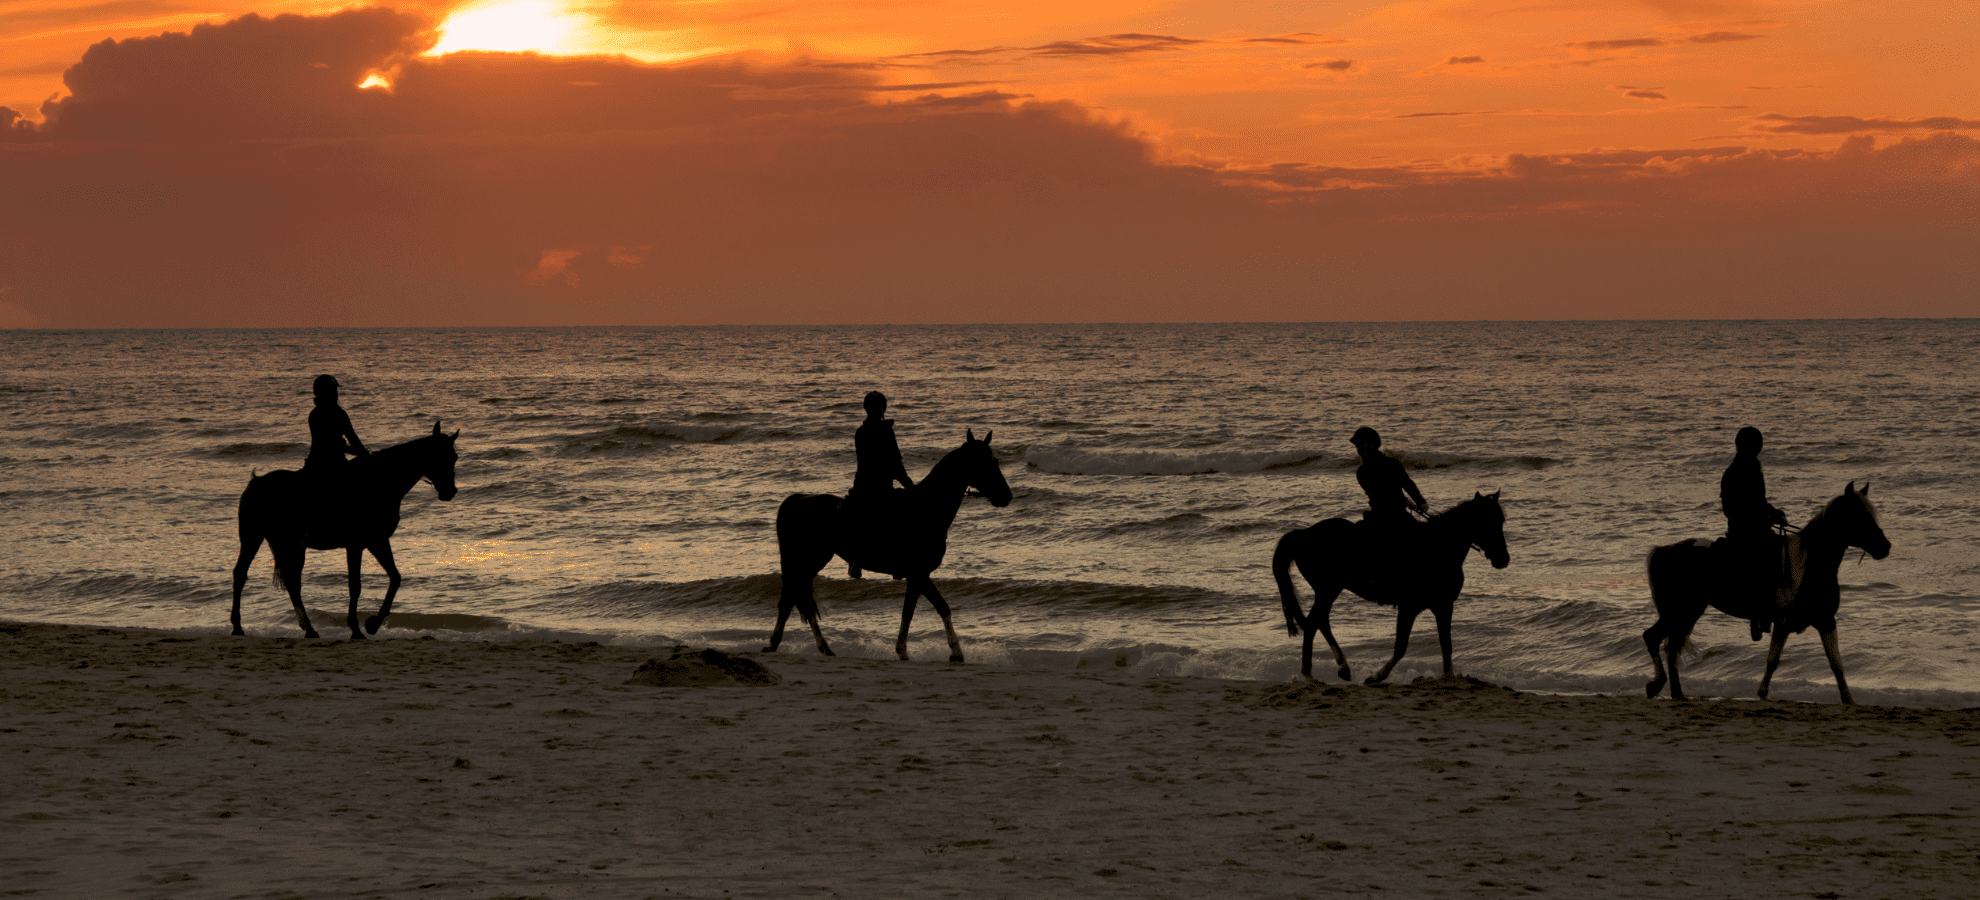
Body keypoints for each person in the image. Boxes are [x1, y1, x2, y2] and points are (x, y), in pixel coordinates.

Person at [1720, 425, 1790, 639]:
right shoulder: (1735, 472)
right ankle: (1759, 614)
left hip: (1756, 528)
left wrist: (1773, 512)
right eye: (1757, 444)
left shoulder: (1751, 466)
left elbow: (1758, 502)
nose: (1759, 448)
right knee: (1769, 558)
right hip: (1744, 532)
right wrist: (1761, 517)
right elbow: (1732, 508)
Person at [845, 391, 914, 578]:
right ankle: (899, 562)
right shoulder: (885, 431)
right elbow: (895, 464)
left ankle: (854, 560)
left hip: (862, 487)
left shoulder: (861, 432)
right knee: (903, 519)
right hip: (881, 487)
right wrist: (910, 486)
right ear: (883, 408)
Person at [1350, 426, 1427, 531]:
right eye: (1357, 446)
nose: (1359, 448)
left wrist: (1415, 501)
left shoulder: (1362, 471)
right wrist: (1419, 502)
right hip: (1395, 515)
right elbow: (1394, 490)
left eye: (1362, 444)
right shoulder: (1390, 464)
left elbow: (1399, 487)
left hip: (1378, 517)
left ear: (1373, 445)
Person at [304, 374, 369, 476]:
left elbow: (323, 443)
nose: (336, 394)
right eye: (334, 390)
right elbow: (351, 439)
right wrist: (363, 453)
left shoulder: (314, 414)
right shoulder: (338, 414)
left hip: (314, 463)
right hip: (335, 463)